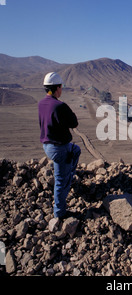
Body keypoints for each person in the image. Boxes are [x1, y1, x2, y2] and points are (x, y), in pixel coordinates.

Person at [38, 72, 81, 219]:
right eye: (61, 87)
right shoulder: (60, 106)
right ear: (57, 88)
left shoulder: (41, 103)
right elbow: (74, 122)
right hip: (59, 149)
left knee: (76, 150)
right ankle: (59, 213)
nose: (61, 90)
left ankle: (70, 176)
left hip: (47, 145)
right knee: (60, 181)